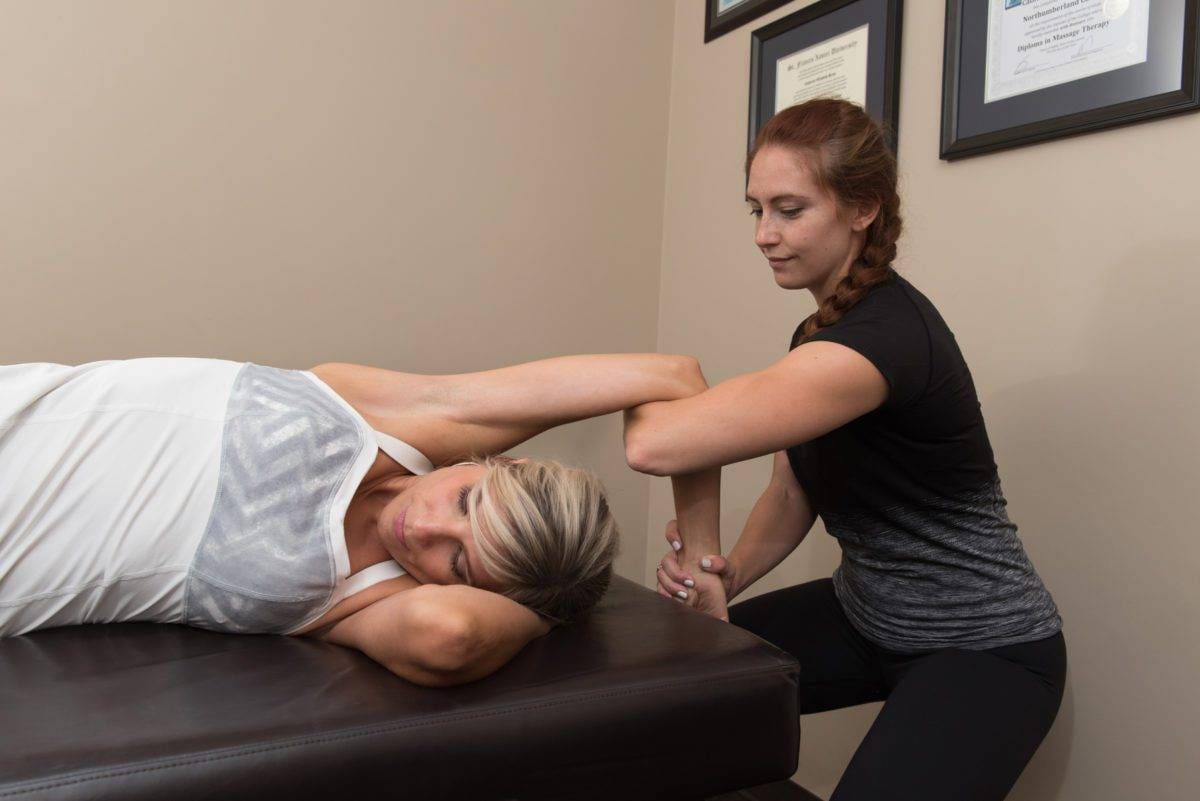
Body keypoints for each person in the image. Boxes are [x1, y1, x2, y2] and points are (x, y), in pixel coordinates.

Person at [639, 98, 1066, 801]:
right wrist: (728, 572)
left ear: (862, 208)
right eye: (756, 210)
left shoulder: (881, 340)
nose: (764, 234)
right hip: (864, 613)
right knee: (675, 696)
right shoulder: (817, 336)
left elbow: (662, 439)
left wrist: (645, 378)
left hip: (984, 648)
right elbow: (792, 490)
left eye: (789, 209)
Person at [0, 352, 713, 686]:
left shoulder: (365, 596)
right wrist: (702, 554)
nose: (423, 529)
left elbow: (453, 635)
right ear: (498, 461)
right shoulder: (387, 418)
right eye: (465, 501)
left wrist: (551, 607)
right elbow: (673, 377)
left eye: (459, 563)